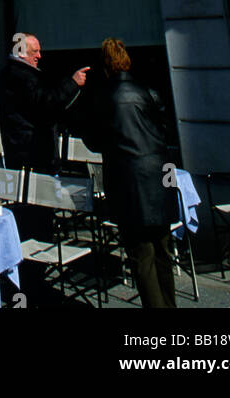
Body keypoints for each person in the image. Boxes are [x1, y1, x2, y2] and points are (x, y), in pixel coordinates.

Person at [83, 38, 177, 309]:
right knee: (162, 251)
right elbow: (165, 129)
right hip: (159, 177)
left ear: (105, 64)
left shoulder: (102, 96)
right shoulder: (147, 90)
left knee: (141, 256)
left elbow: (93, 140)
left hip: (128, 182)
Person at [0, 32, 89, 171]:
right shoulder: (23, 77)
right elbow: (47, 104)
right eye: (35, 51)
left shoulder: (11, 73)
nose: (39, 56)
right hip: (33, 156)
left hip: (23, 153)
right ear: (21, 53)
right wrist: (73, 83)